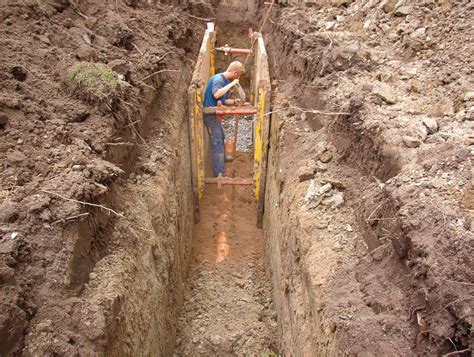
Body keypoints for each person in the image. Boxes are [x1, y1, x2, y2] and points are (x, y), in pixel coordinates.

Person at [203, 61, 245, 178]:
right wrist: (232, 85)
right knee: (217, 145)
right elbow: (216, 94)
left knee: (222, 137)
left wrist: (234, 102)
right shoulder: (218, 80)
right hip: (210, 116)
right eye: (238, 75)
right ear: (235, 72)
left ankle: (224, 160)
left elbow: (224, 100)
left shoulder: (225, 81)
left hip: (215, 115)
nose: (238, 78)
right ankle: (219, 174)